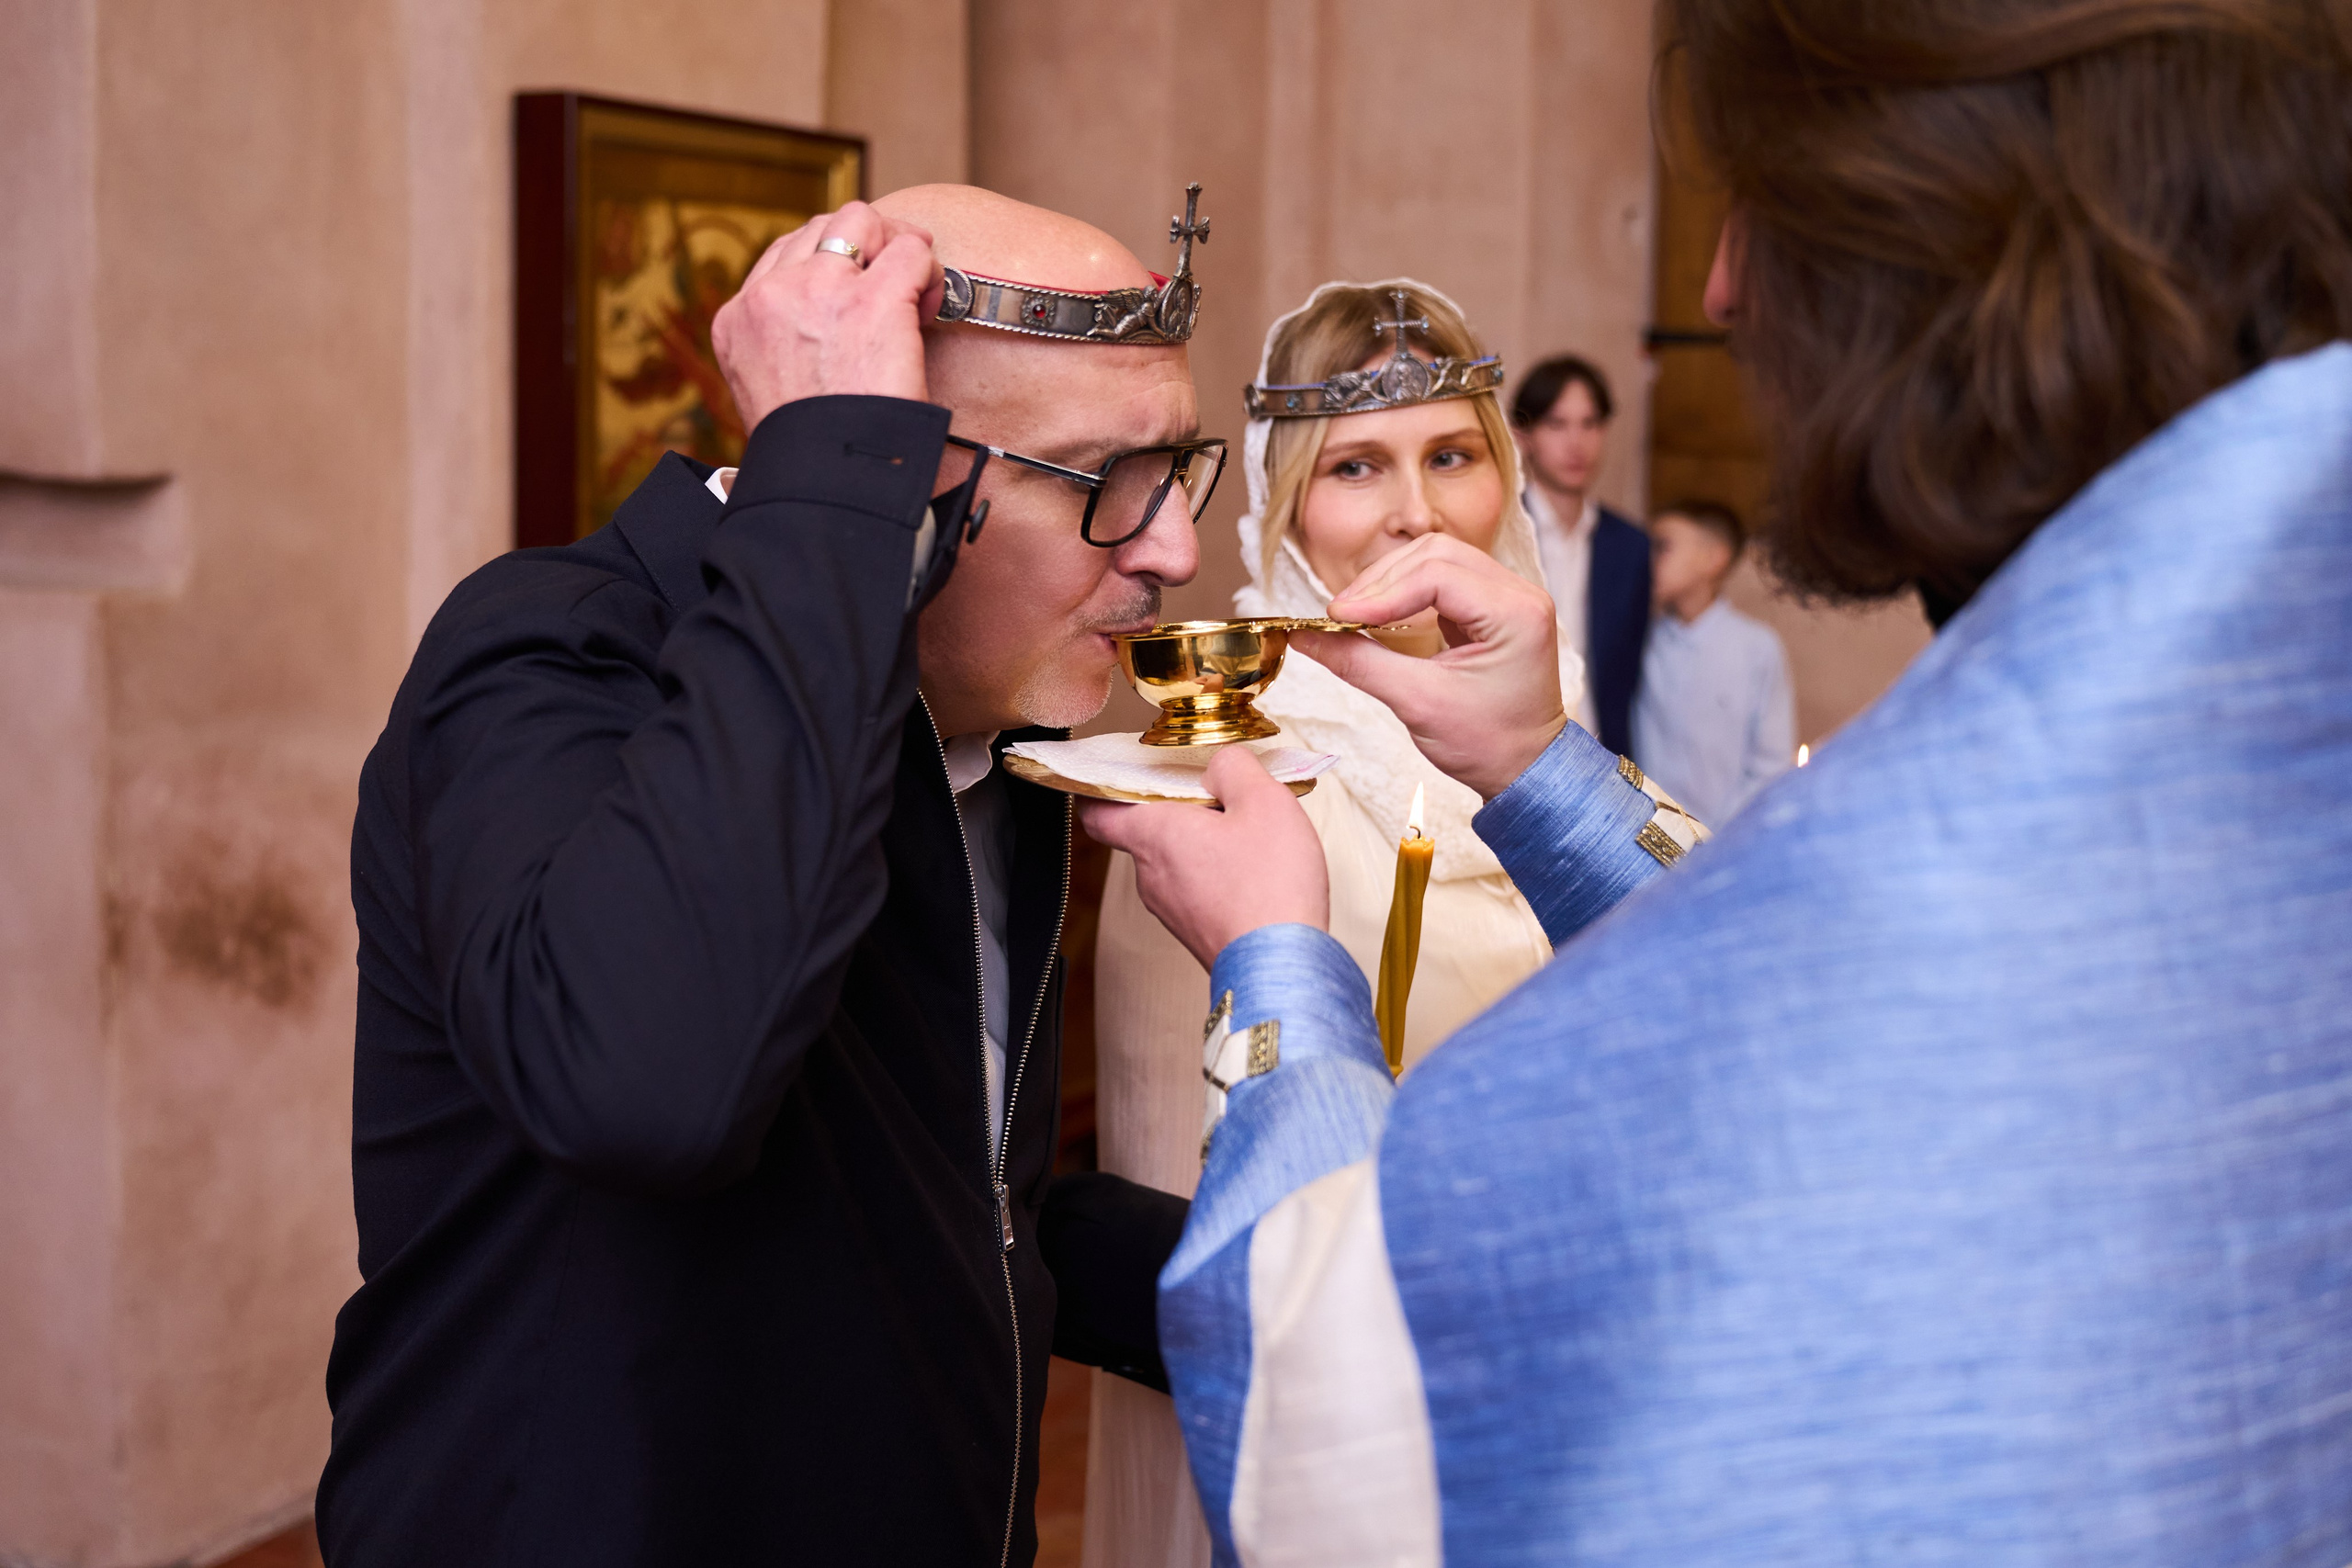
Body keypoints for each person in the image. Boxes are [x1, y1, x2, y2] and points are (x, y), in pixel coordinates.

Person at [1085, 0, 2352, 1560]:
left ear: (1942, 242)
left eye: (1764, 207)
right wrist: (1540, 768)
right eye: (1357, 462)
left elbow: (1341, 1397)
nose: (1719, 285)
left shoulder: (1975, 847)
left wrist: (1279, 969)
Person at [320, 183, 1227, 1565]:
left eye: (1179, 469)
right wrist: (832, 481)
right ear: (905, 470)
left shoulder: (999, 729)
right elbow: (648, 1084)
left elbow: (947, 1195)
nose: (1175, 549)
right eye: (1110, 481)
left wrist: (1306, 1280)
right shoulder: (545, 654)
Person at [1083, 280, 1579, 1566]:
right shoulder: (1218, 743)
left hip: (1531, 1335)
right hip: (1313, 1363)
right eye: (1358, 465)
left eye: (1452, 455)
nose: (1418, 510)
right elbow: (1176, 1154)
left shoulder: (1547, 708)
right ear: (1290, 495)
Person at [1513, 354, 1650, 751]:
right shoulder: (1499, 533)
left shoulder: (1629, 546)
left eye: (1589, 424)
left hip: (1605, 755)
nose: (1576, 443)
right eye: (1557, 424)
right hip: (1516, 754)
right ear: (1524, 435)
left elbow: (1626, 680)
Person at [1631, 498, 1793, 823]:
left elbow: (1771, 764)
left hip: (1723, 838)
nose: (1646, 561)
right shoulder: (1641, 640)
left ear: (1713, 558)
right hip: (1642, 835)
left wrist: (1719, 839)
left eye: (1663, 547)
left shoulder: (1757, 648)